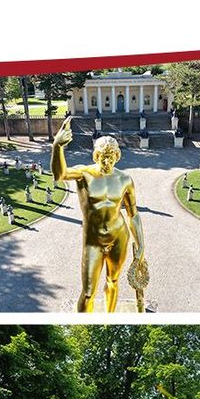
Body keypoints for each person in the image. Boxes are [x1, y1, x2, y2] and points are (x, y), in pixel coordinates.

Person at [51, 117, 145, 312]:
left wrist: (141, 244)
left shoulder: (125, 179)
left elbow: (133, 214)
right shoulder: (85, 174)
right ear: (96, 156)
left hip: (119, 236)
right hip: (93, 240)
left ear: (117, 156)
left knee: (113, 281)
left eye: (111, 157)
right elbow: (60, 175)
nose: (107, 161)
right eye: (103, 156)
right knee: (87, 292)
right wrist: (57, 147)